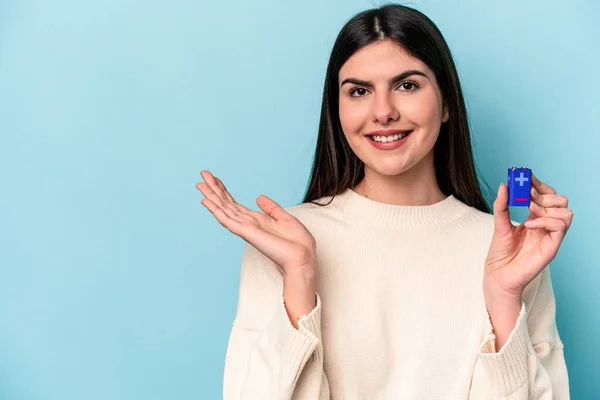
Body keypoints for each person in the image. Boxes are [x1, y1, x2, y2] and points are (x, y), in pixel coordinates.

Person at [197, 4, 573, 399]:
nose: (383, 112)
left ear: (446, 103)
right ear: (337, 111)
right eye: (359, 91)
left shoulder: (509, 250)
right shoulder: (283, 244)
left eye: (407, 85)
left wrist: (503, 297)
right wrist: (301, 276)